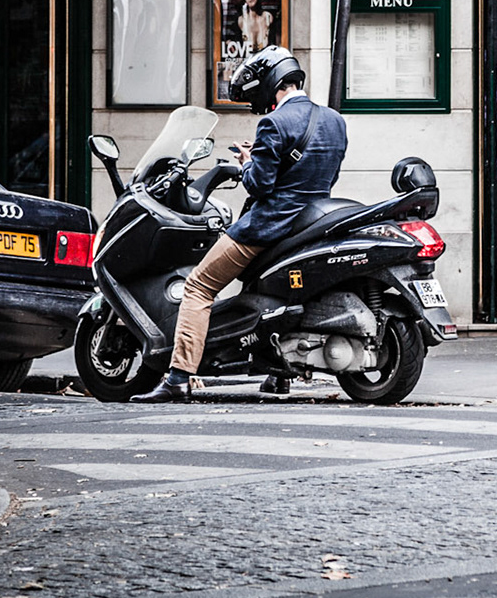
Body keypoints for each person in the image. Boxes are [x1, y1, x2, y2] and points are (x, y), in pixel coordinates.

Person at [132, 46, 347, 403]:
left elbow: (259, 184)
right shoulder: (335, 121)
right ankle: (278, 376)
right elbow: (327, 174)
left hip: (268, 226)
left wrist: (248, 161)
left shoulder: (274, 123)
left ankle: (179, 376)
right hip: (310, 224)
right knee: (265, 291)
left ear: (273, 84)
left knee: (199, 286)